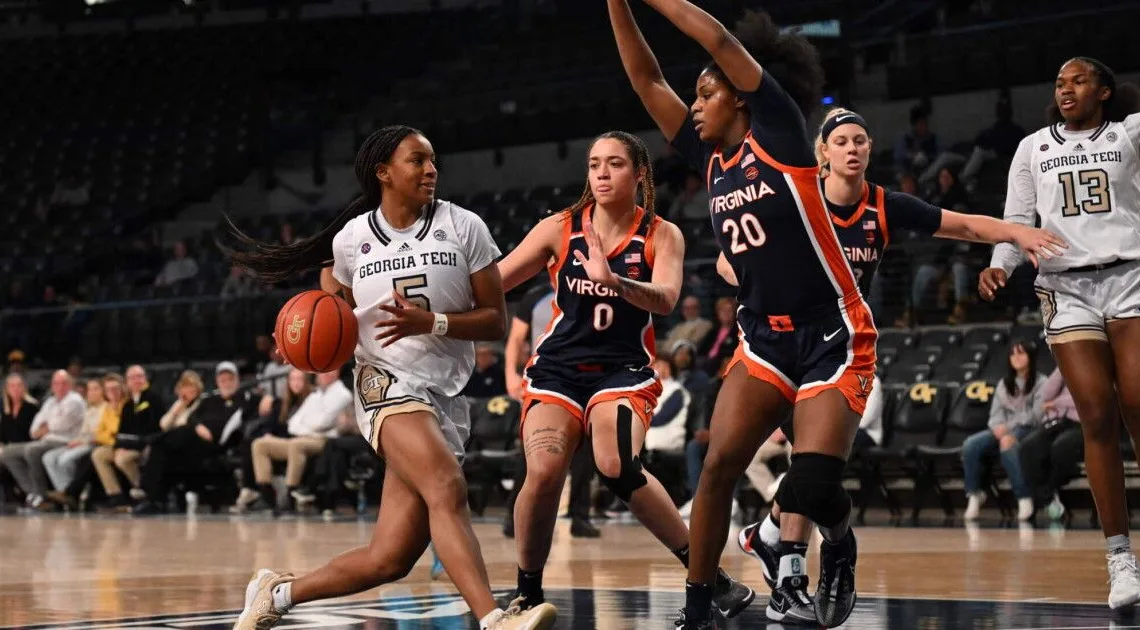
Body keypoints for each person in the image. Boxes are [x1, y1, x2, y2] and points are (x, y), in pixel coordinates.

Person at [222, 125, 556, 630]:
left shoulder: (464, 226)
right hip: (384, 385)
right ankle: (493, 619)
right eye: (417, 161)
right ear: (384, 173)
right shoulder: (353, 240)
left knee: (390, 558)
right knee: (447, 486)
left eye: (432, 161)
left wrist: (433, 322)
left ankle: (277, 592)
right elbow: (327, 308)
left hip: (444, 392)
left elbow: (495, 320)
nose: (430, 170)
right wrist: (305, 344)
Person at [731, 105, 1063, 607]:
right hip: (781, 342)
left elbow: (965, 227)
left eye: (860, 140)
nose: (852, 148)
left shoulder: (883, 206)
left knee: (813, 467)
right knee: (803, 462)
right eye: (841, 141)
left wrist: (1016, 232)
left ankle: (772, 540)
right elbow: (727, 258)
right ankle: (789, 570)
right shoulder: (796, 200)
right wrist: (761, 278)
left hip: (840, 345)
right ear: (822, 152)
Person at [495, 129, 753, 619]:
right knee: (545, 471)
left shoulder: (662, 233)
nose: (601, 174)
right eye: (594, 165)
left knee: (616, 465)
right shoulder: (560, 227)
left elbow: (668, 298)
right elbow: (498, 280)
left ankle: (710, 578)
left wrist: (614, 281)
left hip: (622, 370)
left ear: (639, 173)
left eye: (614, 164)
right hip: (557, 371)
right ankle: (526, 594)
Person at [979, 57, 1140, 610]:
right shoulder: (1032, 148)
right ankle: (1119, 556)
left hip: (1131, 277)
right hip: (1065, 288)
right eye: (1059, 83)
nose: (1066, 89)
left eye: (1078, 81)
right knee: (1095, 412)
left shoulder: (1129, 132)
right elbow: (1016, 219)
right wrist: (1002, 262)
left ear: (1104, 90)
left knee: (1139, 404)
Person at [502, 280, 600, 539]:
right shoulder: (535, 295)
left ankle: (581, 517)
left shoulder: (589, 286)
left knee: (584, 455)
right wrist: (510, 374)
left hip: (586, 377)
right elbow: (515, 338)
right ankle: (514, 516)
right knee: (532, 451)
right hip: (545, 378)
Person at [961, 340, 1046, 522]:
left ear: (1030, 357)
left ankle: (1023, 496)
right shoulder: (1003, 384)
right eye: (1013, 354)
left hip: (1030, 429)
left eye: (1021, 353)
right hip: (1003, 429)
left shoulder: (1041, 382)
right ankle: (975, 494)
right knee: (971, 444)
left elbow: (1036, 415)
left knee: (1007, 443)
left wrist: (1007, 427)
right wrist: (998, 427)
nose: (1016, 357)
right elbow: (995, 415)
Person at [1019, 367, 1083, 520]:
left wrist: (1057, 402)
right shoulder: (1068, 362)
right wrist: (1062, 366)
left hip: (1086, 422)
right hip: (1057, 420)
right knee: (1028, 446)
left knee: (1061, 447)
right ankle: (1048, 498)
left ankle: (1051, 488)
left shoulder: (1103, 363)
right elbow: (1045, 395)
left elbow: (1089, 398)